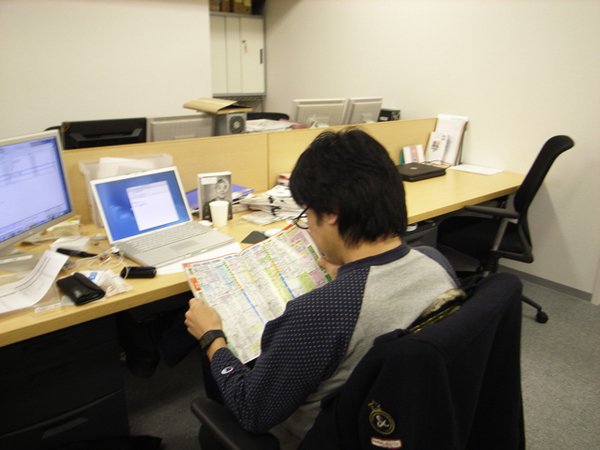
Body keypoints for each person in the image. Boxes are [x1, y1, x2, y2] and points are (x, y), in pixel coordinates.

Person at [185, 128, 459, 450]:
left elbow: (253, 412)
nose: (309, 228)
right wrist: (348, 275)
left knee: (217, 391)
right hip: (407, 420)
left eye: (307, 215)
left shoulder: (325, 310)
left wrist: (211, 338)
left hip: (320, 437)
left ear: (332, 213)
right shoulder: (436, 263)